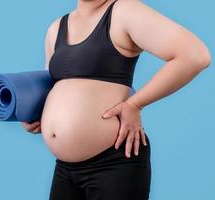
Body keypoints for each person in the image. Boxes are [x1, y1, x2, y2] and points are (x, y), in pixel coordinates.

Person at [22, 0, 211, 199]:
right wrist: (36, 114)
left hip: (114, 163)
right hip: (64, 170)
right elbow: (53, 87)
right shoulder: (56, 28)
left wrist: (134, 104)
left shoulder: (124, 11)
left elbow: (195, 55)